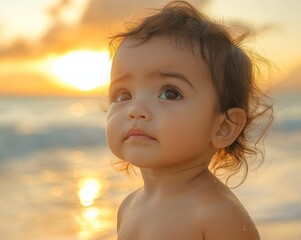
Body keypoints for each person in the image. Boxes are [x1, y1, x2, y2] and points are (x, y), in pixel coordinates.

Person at [105, 1, 273, 239]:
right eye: (123, 95)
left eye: (170, 93)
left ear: (224, 127)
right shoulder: (128, 205)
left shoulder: (217, 215)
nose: (135, 109)